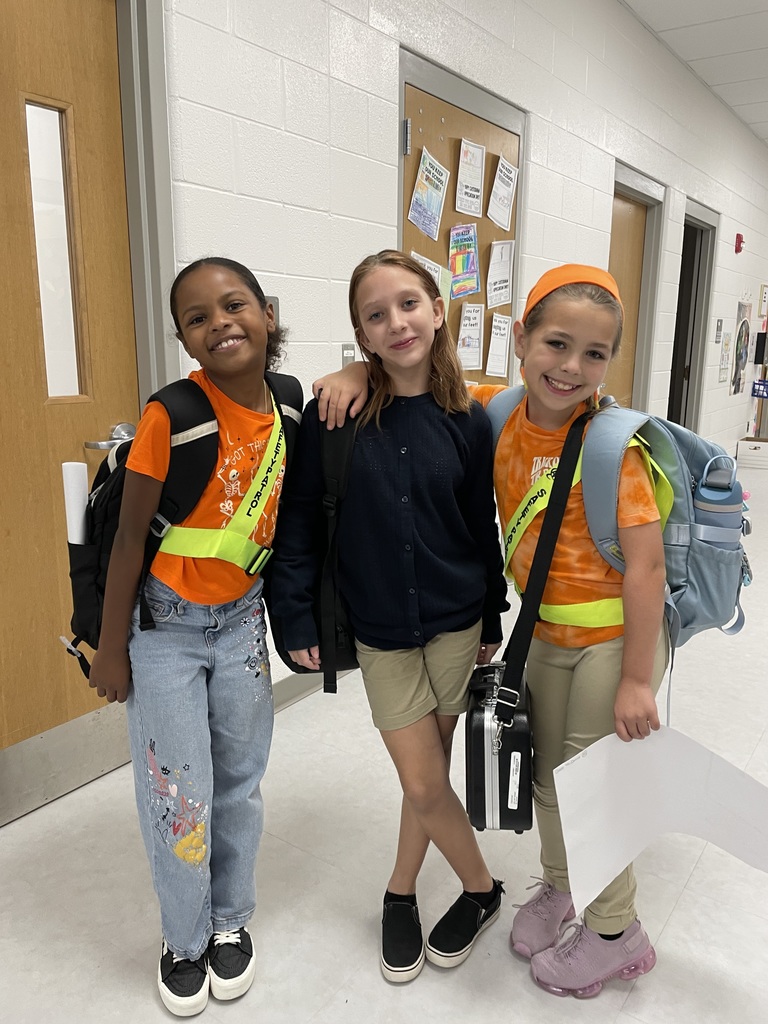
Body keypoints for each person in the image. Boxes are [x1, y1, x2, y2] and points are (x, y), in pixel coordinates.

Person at [314, 264, 669, 999]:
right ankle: (563, 887)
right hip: (540, 637)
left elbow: (646, 570)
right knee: (545, 778)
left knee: (590, 786)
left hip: (610, 641)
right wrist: (353, 365)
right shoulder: (495, 412)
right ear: (520, 342)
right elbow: (406, 369)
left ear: (611, 363)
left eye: (594, 355)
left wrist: (638, 678)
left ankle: (615, 933)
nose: (570, 368)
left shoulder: (612, 446)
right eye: (555, 345)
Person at [268, 250, 509, 985]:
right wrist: (296, 622)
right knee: (427, 782)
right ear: (362, 335)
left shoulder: (469, 420)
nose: (396, 322)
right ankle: (482, 888)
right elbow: (300, 522)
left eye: (409, 304)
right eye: (376, 314)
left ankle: (399, 891)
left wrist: (493, 616)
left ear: (438, 311)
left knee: (423, 780)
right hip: (379, 630)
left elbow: (480, 525)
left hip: (456, 619)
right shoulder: (334, 416)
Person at [88, 257, 299, 1016]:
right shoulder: (170, 415)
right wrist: (111, 649)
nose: (221, 324)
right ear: (183, 337)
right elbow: (125, 543)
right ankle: (184, 940)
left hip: (242, 623)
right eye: (198, 318)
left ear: (267, 314)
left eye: (235, 305)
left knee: (240, 781)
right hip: (164, 631)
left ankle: (230, 922)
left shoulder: (290, 403)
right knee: (181, 793)